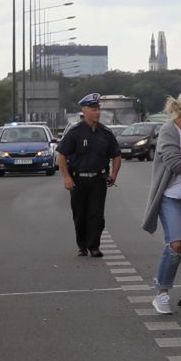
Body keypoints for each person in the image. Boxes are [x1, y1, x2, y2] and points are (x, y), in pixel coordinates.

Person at [142, 95, 181, 315]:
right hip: (172, 196)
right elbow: (173, 161)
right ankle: (161, 292)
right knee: (177, 244)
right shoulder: (168, 131)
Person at [56, 93, 123, 258]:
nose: (97, 113)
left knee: (96, 215)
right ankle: (82, 245)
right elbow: (62, 156)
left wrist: (113, 174)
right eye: (94, 109)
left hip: (98, 180)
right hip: (78, 180)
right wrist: (66, 177)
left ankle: (94, 246)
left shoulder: (105, 133)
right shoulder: (75, 132)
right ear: (84, 111)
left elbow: (116, 155)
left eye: (98, 109)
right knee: (80, 215)